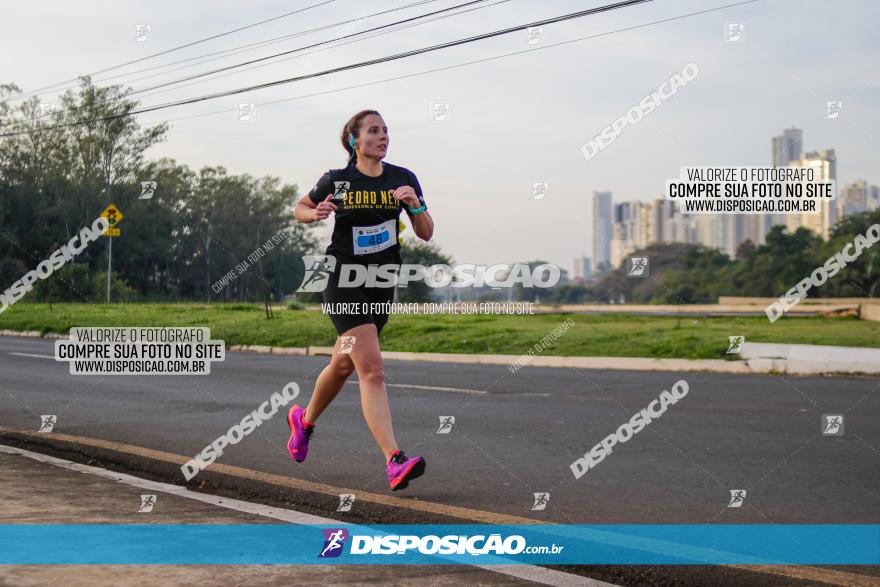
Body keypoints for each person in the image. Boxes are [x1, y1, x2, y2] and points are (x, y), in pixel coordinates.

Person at [288, 109, 434, 491]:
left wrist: (414, 204)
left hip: (381, 283)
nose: (383, 137)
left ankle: (303, 422)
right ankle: (394, 460)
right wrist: (313, 212)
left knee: (341, 366)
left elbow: (426, 232)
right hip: (342, 279)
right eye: (373, 131)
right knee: (373, 370)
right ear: (355, 140)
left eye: (386, 130)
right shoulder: (337, 180)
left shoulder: (403, 178)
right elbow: (299, 207)